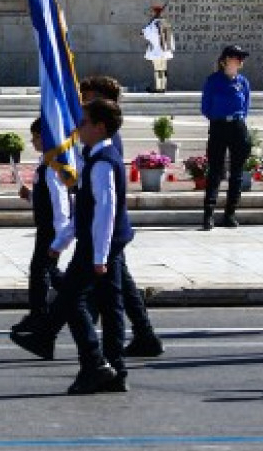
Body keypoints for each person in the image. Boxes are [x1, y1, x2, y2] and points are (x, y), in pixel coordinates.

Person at [11, 99, 132, 394]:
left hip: (96, 244)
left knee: (72, 299)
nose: (78, 128)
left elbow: (105, 210)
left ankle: (95, 364)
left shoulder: (102, 163)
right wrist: (62, 240)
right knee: (109, 303)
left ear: (100, 127)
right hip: (101, 241)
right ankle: (115, 370)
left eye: (84, 123)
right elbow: (87, 209)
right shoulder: (97, 158)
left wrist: (100, 255)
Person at [77, 75, 162, 357]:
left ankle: (96, 348)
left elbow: (106, 201)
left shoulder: (107, 141)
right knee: (118, 288)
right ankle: (143, 335)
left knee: (99, 295)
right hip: (110, 231)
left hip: (109, 229)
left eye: (89, 98)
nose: (84, 104)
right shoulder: (101, 138)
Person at [12, 117, 69, 336]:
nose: (33, 141)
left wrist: (61, 236)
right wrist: (30, 196)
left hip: (52, 228)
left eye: (36, 136)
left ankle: (39, 314)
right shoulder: (44, 164)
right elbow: (45, 198)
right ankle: (81, 297)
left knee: (39, 270)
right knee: (48, 270)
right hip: (46, 225)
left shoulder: (52, 166)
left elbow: (60, 202)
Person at [200, 45, 252, 230]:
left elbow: (246, 107)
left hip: (237, 126)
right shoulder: (213, 81)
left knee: (236, 173)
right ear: (225, 60)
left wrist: (237, 121)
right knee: (215, 170)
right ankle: (209, 214)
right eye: (236, 57)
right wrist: (219, 118)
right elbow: (205, 107)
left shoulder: (243, 82)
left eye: (241, 57)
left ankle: (230, 214)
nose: (240, 60)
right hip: (219, 126)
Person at [141, 3, 176, 93]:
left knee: (157, 70)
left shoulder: (153, 24)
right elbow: (170, 36)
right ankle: (163, 87)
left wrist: (144, 31)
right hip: (164, 50)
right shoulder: (165, 23)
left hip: (156, 50)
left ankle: (159, 87)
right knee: (163, 69)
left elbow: (147, 34)